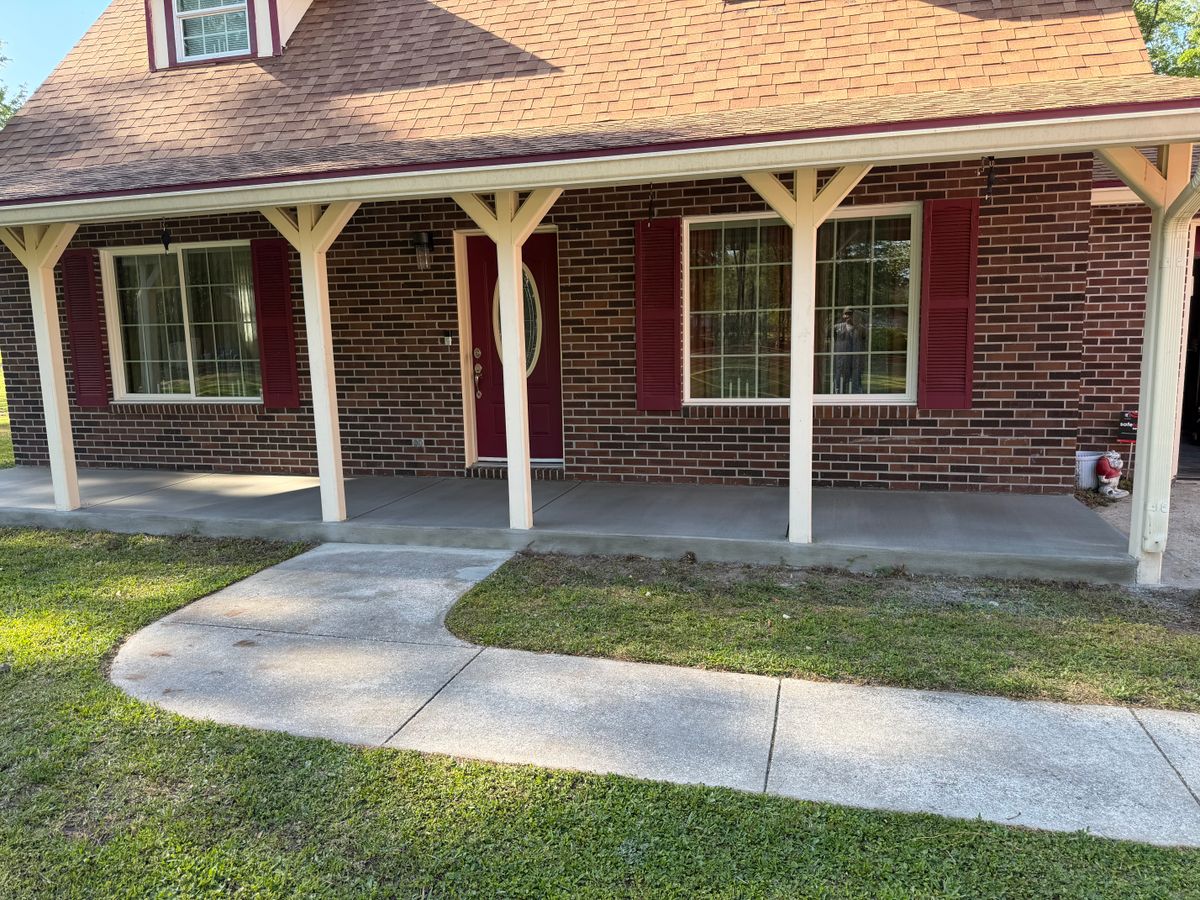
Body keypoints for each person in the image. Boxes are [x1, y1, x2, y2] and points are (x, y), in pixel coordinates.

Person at [832, 306, 866, 393]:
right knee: (839, 382)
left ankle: (856, 402)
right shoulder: (836, 328)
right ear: (843, 315)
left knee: (856, 383)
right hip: (841, 360)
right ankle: (838, 400)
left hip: (855, 360)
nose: (848, 316)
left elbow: (863, 343)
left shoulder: (861, 329)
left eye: (850, 314)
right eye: (846, 314)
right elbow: (833, 339)